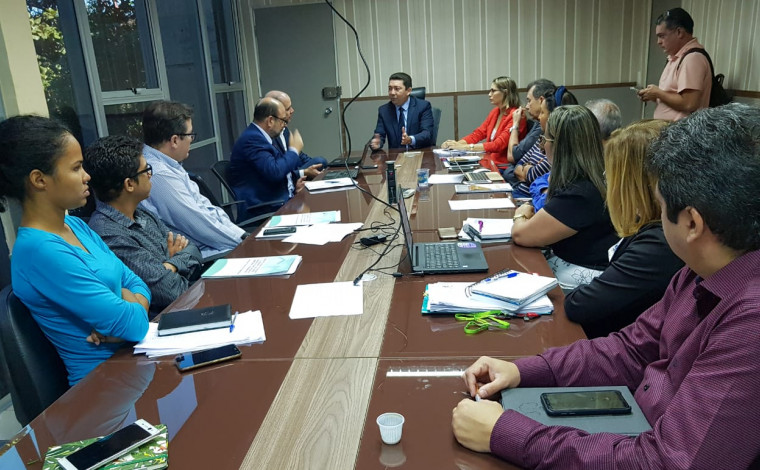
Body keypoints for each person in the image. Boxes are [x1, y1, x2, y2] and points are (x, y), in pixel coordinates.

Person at [452, 103, 760, 470]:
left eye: (660, 204)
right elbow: (630, 350)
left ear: (692, 223)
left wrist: (507, 433)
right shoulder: (701, 270)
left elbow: (666, 462)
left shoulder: (750, 323)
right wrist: (524, 371)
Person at [0, 115, 149, 386]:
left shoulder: (75, 225)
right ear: (39, 180)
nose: (86, 176)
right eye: (76, 168)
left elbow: (137, 282)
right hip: (103, 387)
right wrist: (129, 307)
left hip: (133, 364)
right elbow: (135, 325)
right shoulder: (39, 252)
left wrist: (129, 302)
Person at [564, 120, 684, 338]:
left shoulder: (658, 245)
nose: (607, 182)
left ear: (629, 182)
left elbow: (579, 305)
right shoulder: (652, 230)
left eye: (609, 174)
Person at [84, 135, 202, 318]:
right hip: (164, 321)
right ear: (129, 184)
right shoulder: (108, 234)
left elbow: (193, 249)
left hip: (189, 302)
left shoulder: (141, 213)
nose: (150, 174)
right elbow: (171, 291)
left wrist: (169, 265)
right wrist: (174, 263)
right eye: (146, 170)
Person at [511, 105, 617, 291]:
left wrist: (521, 214)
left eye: (544, 139)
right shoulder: (593, 177)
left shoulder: (580, 193)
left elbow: (521, 235)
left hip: (581, 276)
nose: (542, 147)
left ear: (560, 145)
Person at [140, 100, 246, 258]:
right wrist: (245, 242)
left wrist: (242, 235)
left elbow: (207, 209)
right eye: (190, 135)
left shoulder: (170, 164)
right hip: (204, 256)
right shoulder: (159, 174)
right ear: (175, 140)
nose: (191, 139)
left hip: (217, 244)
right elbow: (200, 225)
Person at [228, 97, 322, 216]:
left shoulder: (262, 137)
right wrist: (294, 150)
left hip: (280, 199)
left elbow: (272, 171)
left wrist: (294, 187)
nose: (285, 125)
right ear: (270, 121)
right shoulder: (252, 140)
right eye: (283, 121)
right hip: (266, 209)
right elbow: (275, 172)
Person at [638, 7, 711, 120]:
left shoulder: (692, 58)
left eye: (662, 36)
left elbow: (689, 103)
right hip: (669, 127)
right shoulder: (676, 58)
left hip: (682, 129)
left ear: (679, 32)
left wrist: (658, 93)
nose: (658, 42)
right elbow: (673, 96)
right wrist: (654, 96)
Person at [441, 77, 527, 167]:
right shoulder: (495, 112)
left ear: (505, 92)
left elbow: (498, 145)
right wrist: (455, 144)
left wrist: (463, 147)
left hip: (503, 166)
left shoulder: (517, 115)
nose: (489, 94)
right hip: (489, 162)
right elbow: (478, 133)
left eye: (493, 91)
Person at [264, 90, 328, 170]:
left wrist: (314, 166)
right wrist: (302, 173)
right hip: (286, 174)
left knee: (320, 162)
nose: (292, 111)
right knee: (320, 161)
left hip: (294, 169)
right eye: (288, 109)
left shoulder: (284, 129)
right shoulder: (270, 134)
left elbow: (299, 155)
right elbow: (278, 169)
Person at [370, 72, 434, 150]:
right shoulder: (384, 110)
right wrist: (377, 143)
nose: (392, 93)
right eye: (390, 89)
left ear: (408, 91)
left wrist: (410, 139)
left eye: (397, 89)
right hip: (395, 155)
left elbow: (427, 133)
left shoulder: (423, 106)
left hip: (419, 153)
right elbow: (379, 135)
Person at [511, 89, 556, 198]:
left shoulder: (554, 145)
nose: (539, 117)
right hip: (519, 192)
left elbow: (532, 175)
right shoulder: (542, 137)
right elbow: (518, 167)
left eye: (542, 113)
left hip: (529, 198)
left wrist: (526, 168)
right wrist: (529, 168)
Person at [506, 79, 555, 165]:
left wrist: (515, 124)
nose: (527, 106)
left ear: (541, 100)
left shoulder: (543, 127)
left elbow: (512, 156)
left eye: (529, 101)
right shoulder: (537, 122)